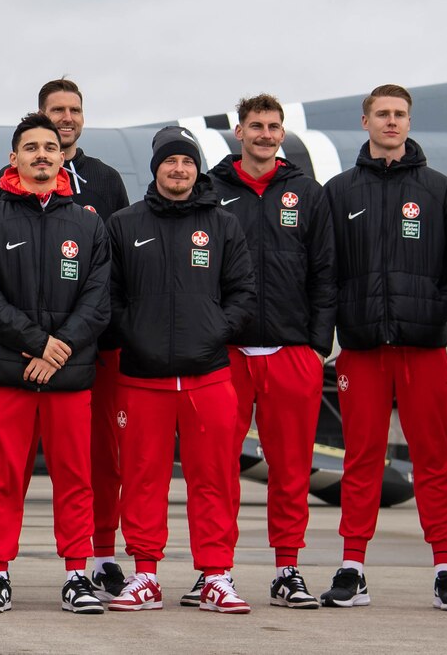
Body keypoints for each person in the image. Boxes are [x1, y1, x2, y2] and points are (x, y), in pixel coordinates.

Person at [319, 84, 447, 611]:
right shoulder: (338, 193)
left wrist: (436, 310)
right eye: (382, 114)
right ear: (364, 121)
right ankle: (352, 566)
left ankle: (446, 569)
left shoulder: (441, 192)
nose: (391, 122)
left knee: (433, 459)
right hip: (362, 352)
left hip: (423, 350)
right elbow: (323, 271)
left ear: (409, 122)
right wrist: (342, 318)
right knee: (360, 460)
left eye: (400, 114)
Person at [0, 112, 113, 615]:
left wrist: (60, 348)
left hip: (68, 377)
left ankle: (77, 575)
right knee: (3, 480)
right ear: (15, 158)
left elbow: (98, 298)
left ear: (62, 155)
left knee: (75, 478)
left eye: (50, 147)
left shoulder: (88, 223)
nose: (43, 155)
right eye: (32, 147)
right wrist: (37, 344)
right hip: (9, 375)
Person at [104, 127, 256, 613]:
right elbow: (108, 296)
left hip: (208, 374)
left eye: (187, 163)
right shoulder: (124, 224)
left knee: (213, 477)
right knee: (143, 478)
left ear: (197, 169)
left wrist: (214, 330)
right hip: (142, 376)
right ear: (156, 168)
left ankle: (216, 576)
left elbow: (243, 293)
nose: (178, 170)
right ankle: (144, 576)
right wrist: (137, 334)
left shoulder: (223, 224)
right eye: (170, 162)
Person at [205, 94, 334, 610]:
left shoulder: (307, 193)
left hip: (290, 351)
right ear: (239, 132)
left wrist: (316, 345)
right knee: (216, 469)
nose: (264, 133)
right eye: (255, 125)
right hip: (226, 353)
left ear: (282, 134)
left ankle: (288, 569)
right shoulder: (210, 190)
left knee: (291, 469)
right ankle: (216, 570)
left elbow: (326, 272)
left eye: (273, 126)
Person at [37, 78, 133, 597]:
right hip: (33, 348)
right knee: (33, 460)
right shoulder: (16, 178)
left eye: (75, 110)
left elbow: (116, 265)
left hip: (96, 342)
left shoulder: (105, 179)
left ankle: (99, 556)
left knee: (102, 458)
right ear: (41, 116)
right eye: (57, 110)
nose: (67, 118)